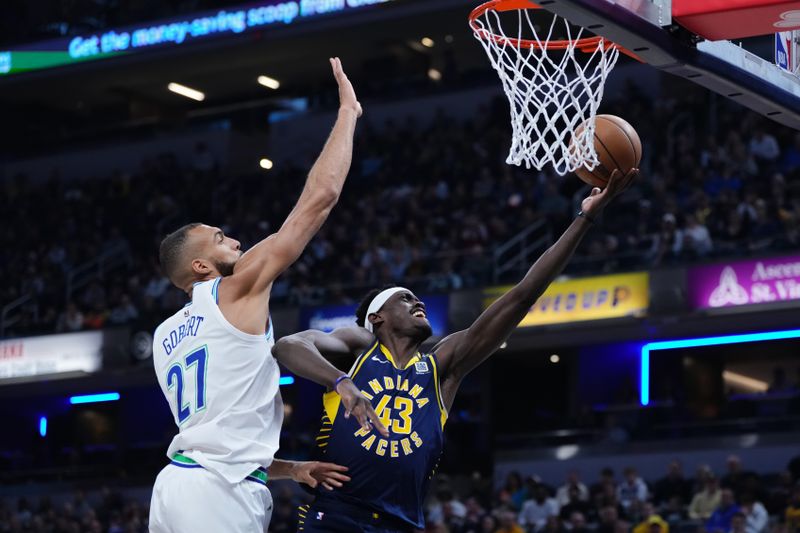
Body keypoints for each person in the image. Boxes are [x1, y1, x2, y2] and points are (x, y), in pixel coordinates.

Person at [273, 169, 638, 532]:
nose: (418, 303)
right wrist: (341, 382)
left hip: (403, 524)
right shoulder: (357, 350)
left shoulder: (442, 366)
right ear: (378, 318)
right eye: (405, 299)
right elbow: (288, 346)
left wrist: (585, 217)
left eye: (418, 298)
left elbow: (522, 296)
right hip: (339, 515)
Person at [148, 58, 383, 533]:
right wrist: (347, 113)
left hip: (179, 487)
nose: (233, 240)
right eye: (219, 239)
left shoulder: (164, 334)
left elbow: (218, 438)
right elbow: (320, 198)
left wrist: (290, 469)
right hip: (214, 494)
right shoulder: (231, 291)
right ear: (199, 267)